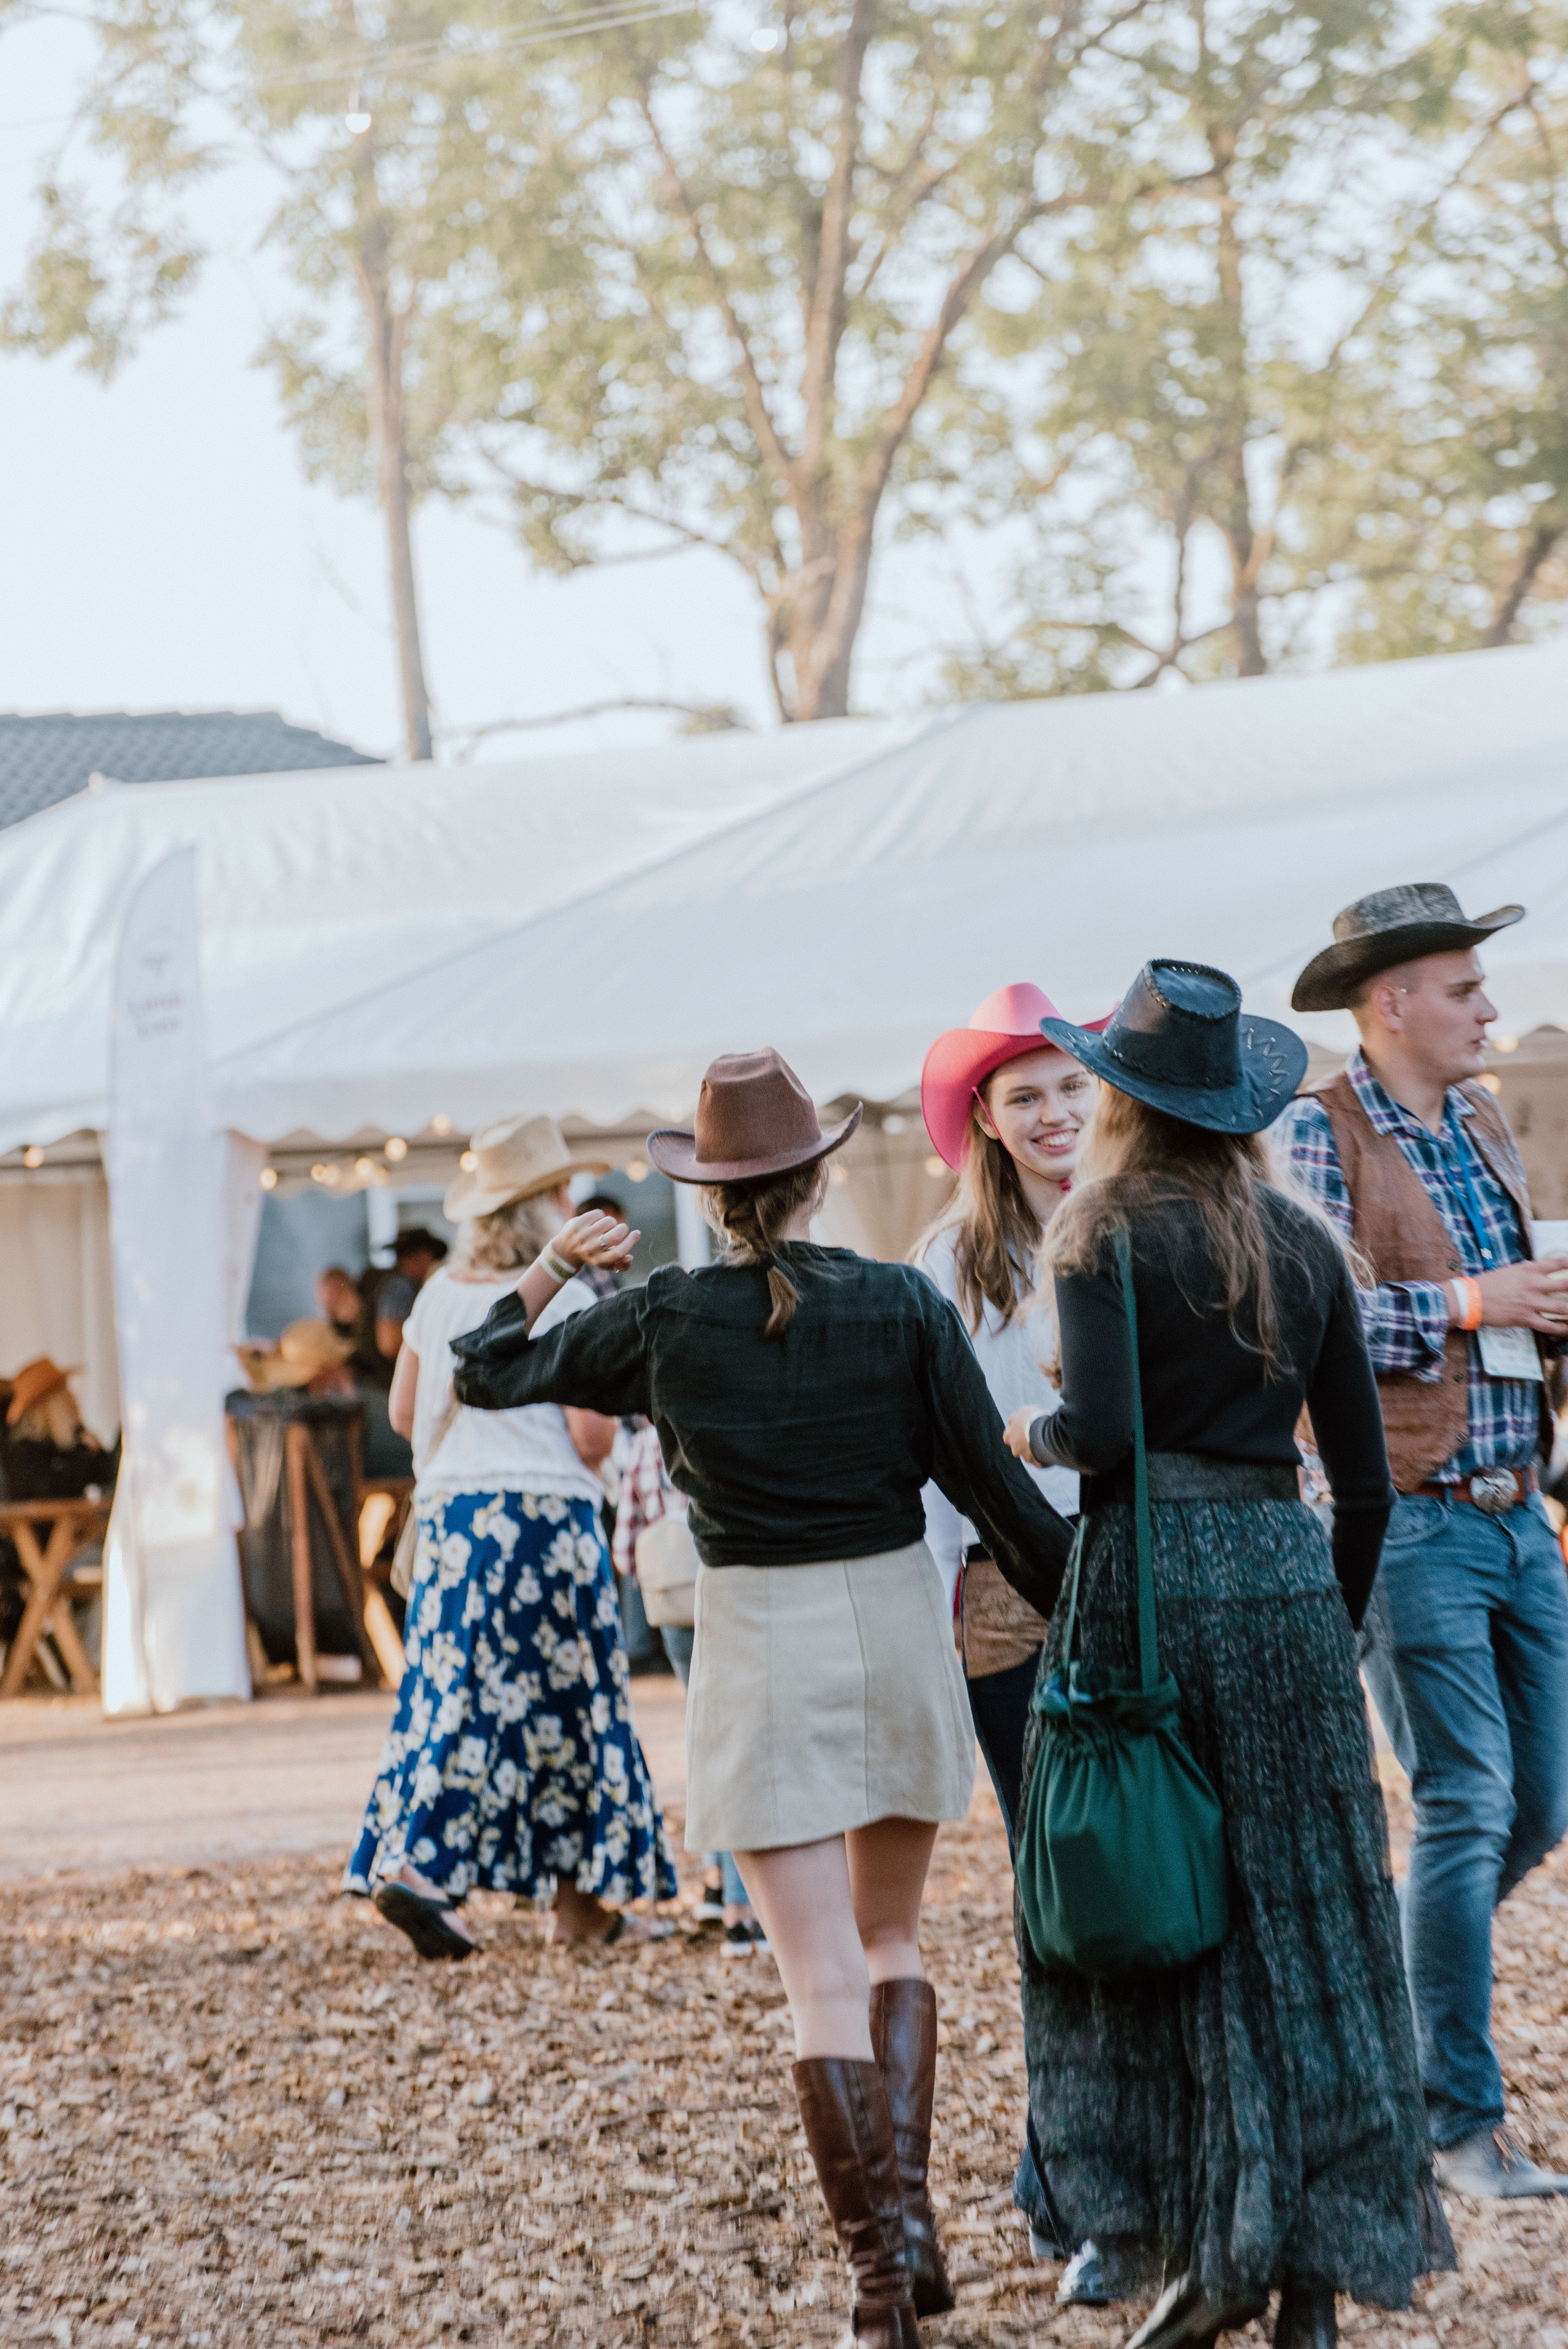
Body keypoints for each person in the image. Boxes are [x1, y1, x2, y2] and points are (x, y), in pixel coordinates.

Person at [450, 1049, 1073, 2349]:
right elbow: (999, 1498)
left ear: (708, 1187)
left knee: (817, 1981)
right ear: (817, 1177)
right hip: (893, 1621)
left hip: (756, 1636)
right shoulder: (904, 1304)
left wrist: (556, 1264)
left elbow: (481, 1367)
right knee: (891, 1944)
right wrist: (1091, 1605)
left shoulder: (664, 1312)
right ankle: (904, 2230)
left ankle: (877, 2285)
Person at [1005, 960, 1452, 2349]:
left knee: (1156, 1904)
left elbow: (1110, 1432)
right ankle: (1308, 2278)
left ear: (1129, 1101)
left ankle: (1202, 2242)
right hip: (1278, 1574)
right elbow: (1364, 1485)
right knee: (1309, 1921)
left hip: (1140, 1578)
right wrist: (1320, 1621)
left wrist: (1033, 1433)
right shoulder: (1300, 1238)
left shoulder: (1098, 1234)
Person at [1279, 883, 1568, 2200]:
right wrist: (1469, 1301)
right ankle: (1456, 2123)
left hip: (1520, 1513)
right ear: (1387, 1003)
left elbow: (1504, 1306)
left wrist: (1534, 1312)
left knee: (1539, 1804)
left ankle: (1389, 2027)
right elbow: (1309, 1328)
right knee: (1464, 1803)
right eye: (1465, 988)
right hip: (1405, 1522)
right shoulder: (1311, 1131)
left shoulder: (1484, 1117)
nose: (1489, 1009)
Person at [344, 1113, 674, 1959]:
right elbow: (593, 1436)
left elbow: (405, 1411)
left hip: (457, 1521)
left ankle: (551, 1898)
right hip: (544, 1519)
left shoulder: (438, 1292)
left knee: (459, 1693)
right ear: (545, 1207)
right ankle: (436, 1872)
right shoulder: (564, 1292)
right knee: (567, 1705)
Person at [913, 980, 1107, 2298]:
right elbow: (931, 1463)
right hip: (1006, 1600)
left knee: (1161, 1874)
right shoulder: (947, 1262)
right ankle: (1069, 2164)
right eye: (1023, 1093)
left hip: (1153, 1577)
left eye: (1068, 1087)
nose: (1051, 1112)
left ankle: (1139, 2157)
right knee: (1060, 1882)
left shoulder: (1141, 1225)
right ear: (983, 1116)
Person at [611, 1417, 764, 1952]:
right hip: (726, 1595)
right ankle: (745, 1906)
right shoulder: (717, 1427)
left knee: (706, 1741)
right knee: (741, 1744)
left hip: (675, 1612)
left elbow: (625, 1554)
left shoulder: (643, 1447)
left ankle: (716, 1884)